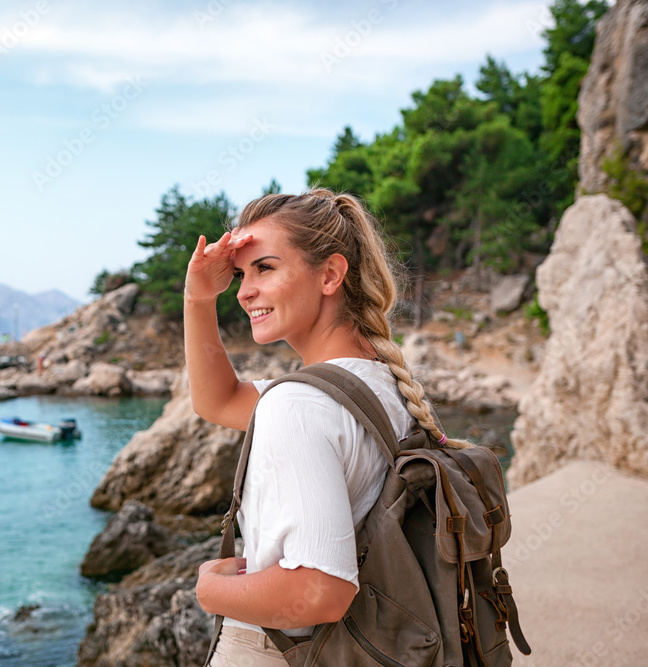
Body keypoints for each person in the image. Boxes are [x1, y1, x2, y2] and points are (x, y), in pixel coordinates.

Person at [184, 188, 467, 665]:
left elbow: (320, 590)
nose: (244, 291)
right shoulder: (380, 385)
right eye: (240, 274)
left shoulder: (298, 405)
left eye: (265, 268)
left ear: (331, 275)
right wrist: (198, 298)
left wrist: (209, 591)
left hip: (279, 651)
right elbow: (218, 400)